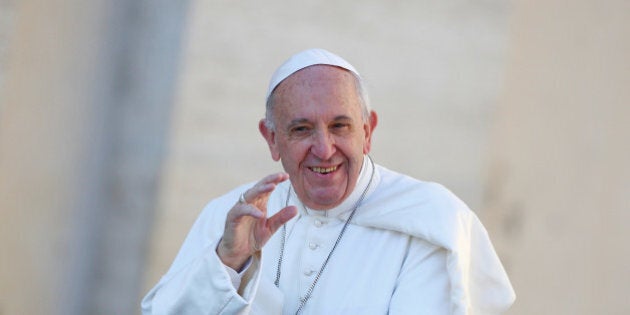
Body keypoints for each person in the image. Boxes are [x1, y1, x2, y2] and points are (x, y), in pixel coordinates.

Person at [141, 48, 515, 314]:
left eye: (340, 126)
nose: (324, 149)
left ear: (368, 131)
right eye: (302, 129)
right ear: (272, 139)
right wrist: (230, 264)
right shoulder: (231, 218)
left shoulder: (430, 223)